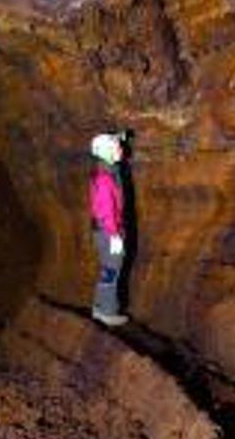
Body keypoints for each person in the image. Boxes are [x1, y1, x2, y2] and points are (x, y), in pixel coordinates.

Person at [89, 132, 129, 326]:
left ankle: (100, 307)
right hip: (108, 231)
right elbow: (106, 209)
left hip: (104, 230)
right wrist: (114, 235)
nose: (120, 149)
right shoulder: (105, 177)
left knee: (108, 270)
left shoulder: (107, 171)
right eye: (115, 146)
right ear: (105, 152)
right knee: (112, 270)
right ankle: (107, 312)